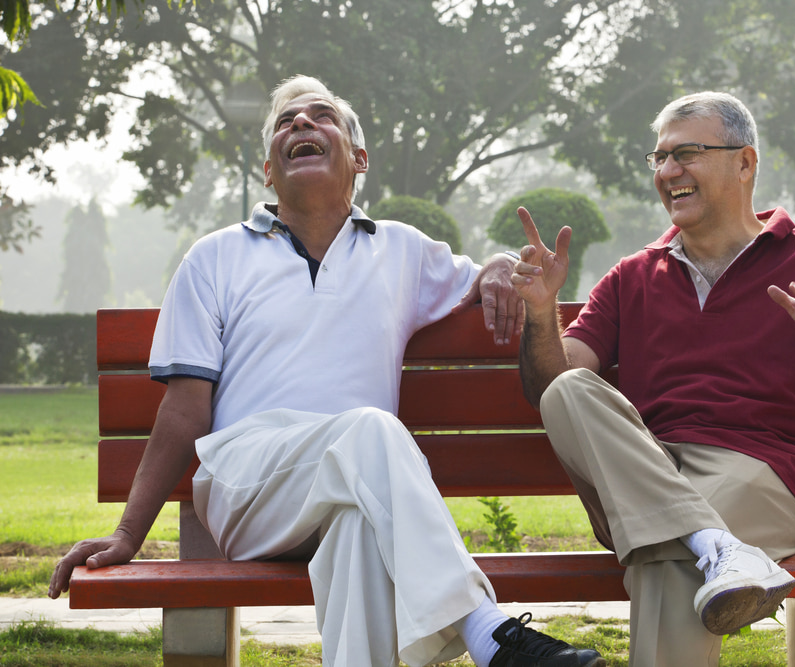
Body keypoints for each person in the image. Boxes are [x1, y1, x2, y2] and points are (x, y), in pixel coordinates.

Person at [48, 75, 605, 667]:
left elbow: (479, 273)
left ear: (358, 159)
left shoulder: (403, 249)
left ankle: (480, 638)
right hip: (247, 483)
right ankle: (488, 633)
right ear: (268, 170)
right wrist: (129, 533)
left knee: (359, 537)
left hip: (357, 490)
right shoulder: (213, 257)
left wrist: (496, 266)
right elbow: (184, 408)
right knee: (369, 429)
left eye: (320, 117)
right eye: (288, 122)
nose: (302, 125)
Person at [510, 91, 795, 666]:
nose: (667, 172)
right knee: (571, 390)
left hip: (768, 470)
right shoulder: (631, 276)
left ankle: (703, 541)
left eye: (687, 154)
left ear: (745, 162)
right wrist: (538, 313)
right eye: (658, 158)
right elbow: (551, 387)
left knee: (669, 557)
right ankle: (718, 545)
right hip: (649, 467)